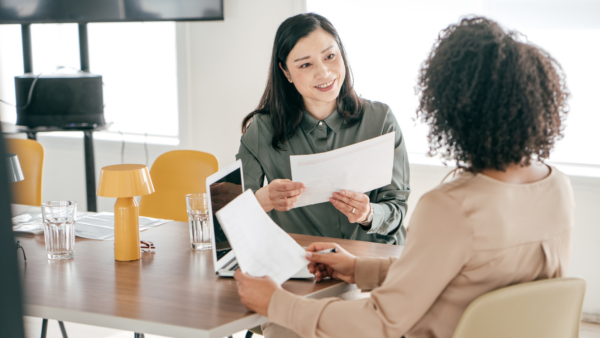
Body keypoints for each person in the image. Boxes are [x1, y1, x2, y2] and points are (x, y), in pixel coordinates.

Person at [233, 17, 573, 338]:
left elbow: (380, 323)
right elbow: (460, 278)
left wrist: (275, 303)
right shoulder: (558, 186)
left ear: (449, 110)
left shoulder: (450, 207)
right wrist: (357, 269)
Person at [236, 13, 410, 245]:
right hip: (303, 266)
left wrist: (368, 214)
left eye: (330, 56)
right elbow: (233, 214)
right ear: (285, 72)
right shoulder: (262, 129)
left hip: (371, 264)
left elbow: (397, 208)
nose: (324, 73)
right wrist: (263, 199)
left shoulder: (381, 119)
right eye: (306, 64)